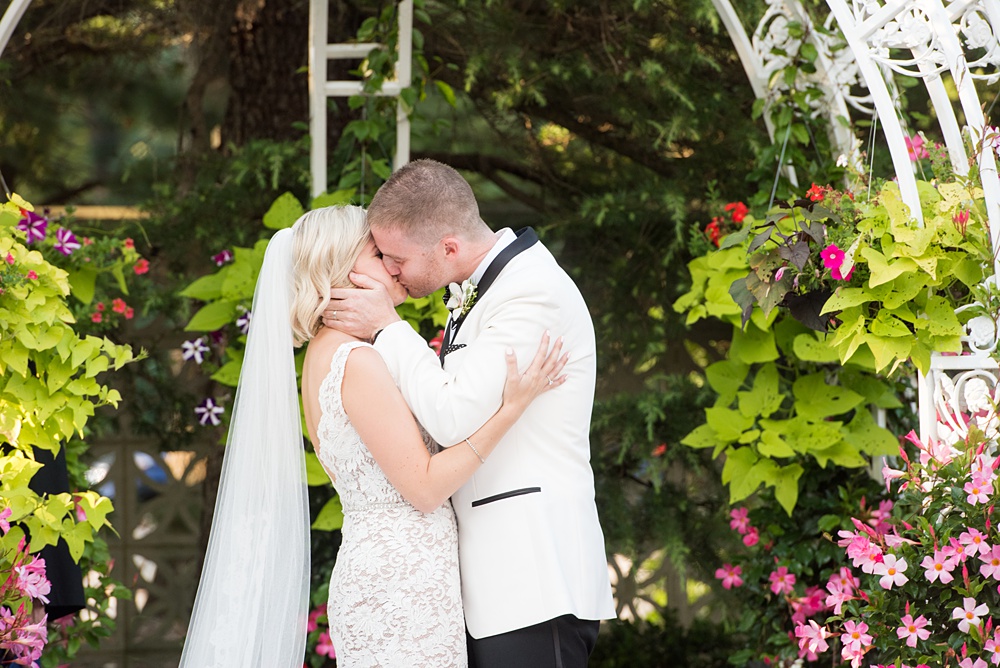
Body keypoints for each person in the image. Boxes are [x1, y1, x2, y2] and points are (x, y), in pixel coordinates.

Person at [178, 205, 566, 668]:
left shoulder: (330, 354)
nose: (394, 266)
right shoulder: (354, 361)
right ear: (342, 270)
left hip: (397, 572)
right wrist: (511, 409)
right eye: (379, 255)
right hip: (400, 586)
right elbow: (424, 487)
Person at [325, 159, 617, 668]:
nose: (391, 272)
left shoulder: (532, 292)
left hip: (533, 575)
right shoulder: (488, 288)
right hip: (495, 582)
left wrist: (388, 327)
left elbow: (452, 416)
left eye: (396, 259)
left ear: (448, 249)